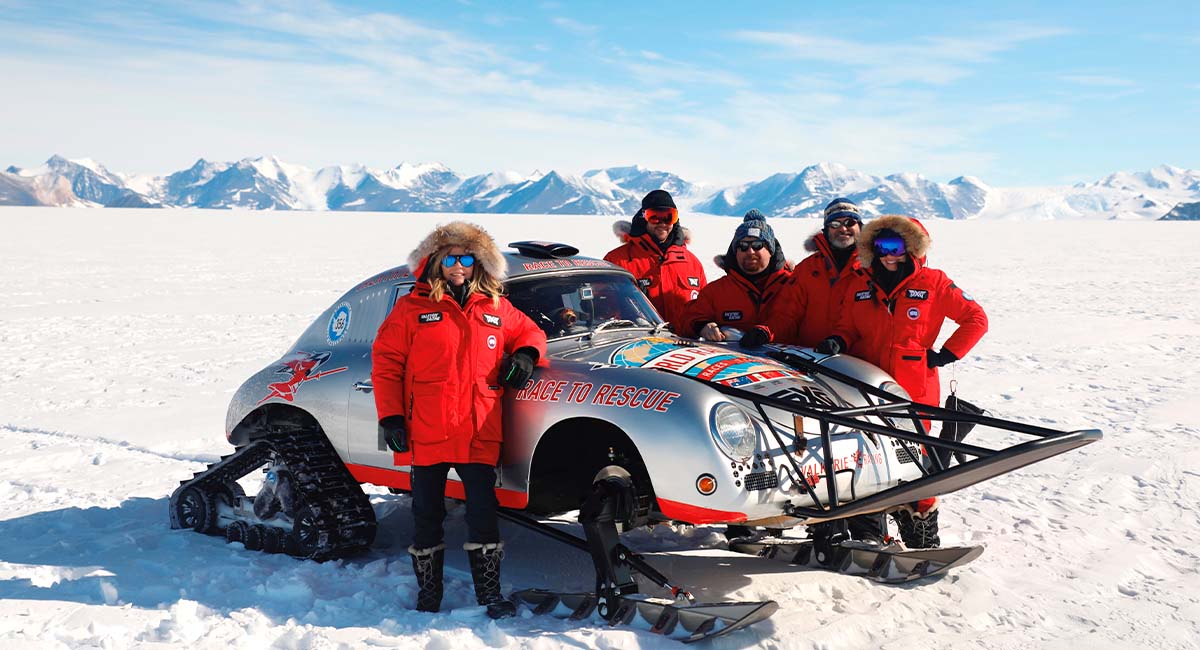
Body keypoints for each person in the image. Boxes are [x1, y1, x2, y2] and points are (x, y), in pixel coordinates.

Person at [371, 221, 548, 618]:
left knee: (483, 514)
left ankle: (489, 595)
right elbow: (386, 364)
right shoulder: (412, 309)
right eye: (450, 258)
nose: (458, 266)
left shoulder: (496, 308)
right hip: (428, 428)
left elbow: (532, 333)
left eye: (466, 259)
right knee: (426, 516)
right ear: (435, 261)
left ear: (478, 263)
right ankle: (428, 597)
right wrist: (391, 417)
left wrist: (526, 355)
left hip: (478, 429)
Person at [815, 215, 988, 548]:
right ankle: (868, 528)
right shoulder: (861, 284)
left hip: (915, 387)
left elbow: (976, 318)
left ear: (911, 247)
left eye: (895, 246)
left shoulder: (934, 282)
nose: (888, 255)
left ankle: (921, 526)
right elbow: (847, 326)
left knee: (915, 456)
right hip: (864, 382)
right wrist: (838, 340)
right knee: (866, 452)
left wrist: (947, 353)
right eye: (880, 247)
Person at [740, 197, 863, 348]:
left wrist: (842, 340)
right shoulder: (807, 269)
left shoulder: (874, 268)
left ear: (860, 227)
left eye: (850, 223)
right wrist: (766, 332)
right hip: (812, 357)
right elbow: (787, 315)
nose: (843, 229)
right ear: (825, 230)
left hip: (861, 360)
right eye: (835, 224)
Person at [679, 209, 791, 342]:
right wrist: (702, 326)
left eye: (757, 245)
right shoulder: (716, 292)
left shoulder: (792, 286)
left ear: (770, 250)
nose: (750, 251)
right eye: (743, 245)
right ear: (735, 252)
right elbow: (687, 318)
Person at [604, 189, 706, 328]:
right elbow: (601, 309)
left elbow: (704, 309)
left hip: (684, 340)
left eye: (669, 217)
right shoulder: (617, 261)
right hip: (638, 340)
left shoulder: (691, 262)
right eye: (654, 217)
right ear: (643, 217)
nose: (662, 223)